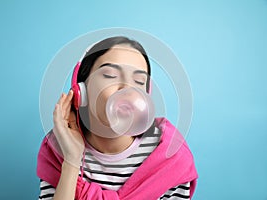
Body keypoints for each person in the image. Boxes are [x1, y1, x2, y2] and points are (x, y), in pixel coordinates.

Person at [37, 36, 198, 200]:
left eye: (139, 81)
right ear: (81, 91)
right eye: (110, 75)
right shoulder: (58, 149)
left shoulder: (170, 157)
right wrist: (71, 160)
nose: (127, 88)